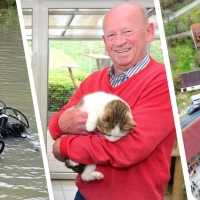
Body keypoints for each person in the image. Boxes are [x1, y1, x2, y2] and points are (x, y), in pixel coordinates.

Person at [49, 2, 177, 200]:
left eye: (127, 31)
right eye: (111, 35)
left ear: (149, 31)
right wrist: (60, 123)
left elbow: (128, 148)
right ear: (104, 40)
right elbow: (55, 126)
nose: (119, 42)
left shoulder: (163, 80)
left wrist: (64, 146)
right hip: (85, 194)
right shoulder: (92, 80)